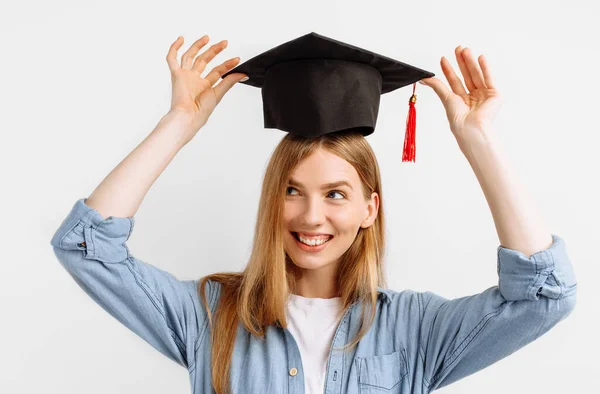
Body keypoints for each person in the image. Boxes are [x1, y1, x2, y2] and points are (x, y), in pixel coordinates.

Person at [50, 33, 577, 394]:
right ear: (271, 199)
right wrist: (180, 123)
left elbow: (543, 296)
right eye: (292, 190)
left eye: (336, 194)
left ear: (371, 208)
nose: (310, 215)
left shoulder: (417, 329)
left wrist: (479, 140)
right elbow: (86, 247)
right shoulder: (211, 318)